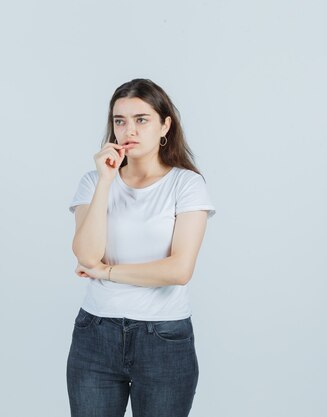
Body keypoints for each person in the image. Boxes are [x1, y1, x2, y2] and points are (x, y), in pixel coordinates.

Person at [66, 78, 216, 417]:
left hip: (163, 338)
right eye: (120, 121)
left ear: (165, 125)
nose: (128, 130)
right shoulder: (92, 182)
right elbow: (86, 255)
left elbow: (178, 271)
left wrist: (106, 272)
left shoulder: (186, 184)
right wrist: (106, 181)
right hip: (96, 335)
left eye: (141, 119)